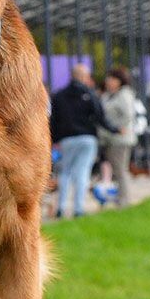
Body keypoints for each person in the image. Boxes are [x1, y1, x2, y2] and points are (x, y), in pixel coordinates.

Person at [48, 64, 116, 218]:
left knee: (65, 172)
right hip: (87, 138)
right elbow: (100, 116)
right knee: (82, 172)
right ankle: (78, 208)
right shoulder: (89, 94)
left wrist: (55, 139)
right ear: (84, 77)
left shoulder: (59, 95)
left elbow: (53, 120)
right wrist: (114, 130)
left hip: (66, 139)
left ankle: (61, 207)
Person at [98, 67, 138, 207]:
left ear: (119, 81)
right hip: (110, 138)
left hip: (120, 139)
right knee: (118, 170)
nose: (108, 81)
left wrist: (117, 128)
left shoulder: (124, 95)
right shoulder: (109, 95)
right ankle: (122, 197)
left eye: (112, 78)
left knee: (120, 170)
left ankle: (124, 200)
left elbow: (128, 115)